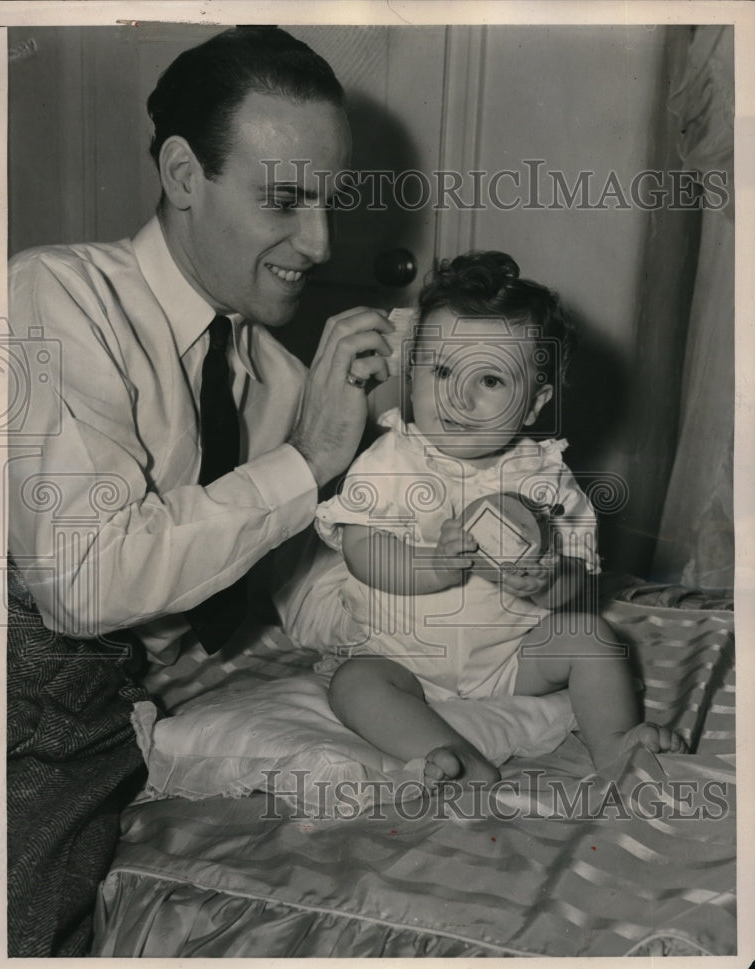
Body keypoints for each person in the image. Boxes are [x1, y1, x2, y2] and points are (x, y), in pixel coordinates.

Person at [6, 26, 395, 956]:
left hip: (132, 704)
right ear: (184, 175)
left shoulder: (282, 381)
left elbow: (303, 593)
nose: (321, 242)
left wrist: (436, 545)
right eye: (286, 203)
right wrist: (304, 463)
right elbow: (82, 583)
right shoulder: (50, 296)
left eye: (330, 203)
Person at [278, 251, 685, 789]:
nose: (458, 395)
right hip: (405, 658)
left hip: (511, 660)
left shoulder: (544, 478)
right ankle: (454, 757)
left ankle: (612, 741)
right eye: (442, 369)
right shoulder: (392, 460)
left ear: (534, 404)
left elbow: (578, 585)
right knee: (354, 685)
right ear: (414, 369)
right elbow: (362, 551)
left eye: (491, 380)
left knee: (590, 634)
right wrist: (434, 566)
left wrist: (546, 582)